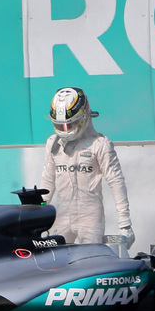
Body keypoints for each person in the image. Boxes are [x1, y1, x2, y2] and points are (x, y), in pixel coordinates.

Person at [39, 87, 133, 247]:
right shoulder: (53, 144)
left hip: (90, 215)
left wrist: (125, 223)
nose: (65, 130)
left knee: (92, 260)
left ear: (83, 117)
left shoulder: (100, 144)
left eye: (70, 125)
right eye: (60, 126)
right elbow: (47, 181)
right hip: (61, 214)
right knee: (54, 262)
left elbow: (116, 182)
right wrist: (38, 221)